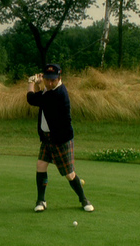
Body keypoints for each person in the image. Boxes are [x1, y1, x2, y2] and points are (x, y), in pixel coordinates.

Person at [26, 64, 94, 212]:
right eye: (47, 80)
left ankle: (84, 199)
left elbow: (32, 99)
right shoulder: (48, 91)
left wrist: (31, 83)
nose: (50, 83)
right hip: (47, 138)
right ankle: (41, 201)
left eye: (53, 80)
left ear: (59, 79)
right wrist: (40, 86)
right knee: (41, 165)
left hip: (60, 138)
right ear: (44, 78)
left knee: (69, 174)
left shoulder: (58, 94)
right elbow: (42, 98)